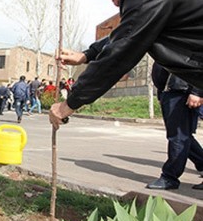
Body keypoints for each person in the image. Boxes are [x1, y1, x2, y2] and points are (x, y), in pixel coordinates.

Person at [50, 0, 203, 130]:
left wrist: (68, 104)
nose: (115, 2)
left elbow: (122, 50)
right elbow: (132, 31)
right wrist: (87, 55)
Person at [61, 40, 203, 191]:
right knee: (181, 135)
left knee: (178, 136)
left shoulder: (187, 25)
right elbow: (125, 34)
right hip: (170, 89)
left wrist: (197, 91)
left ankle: (170, 177)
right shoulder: (166, 26)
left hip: (183, 89)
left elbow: (199, 56)